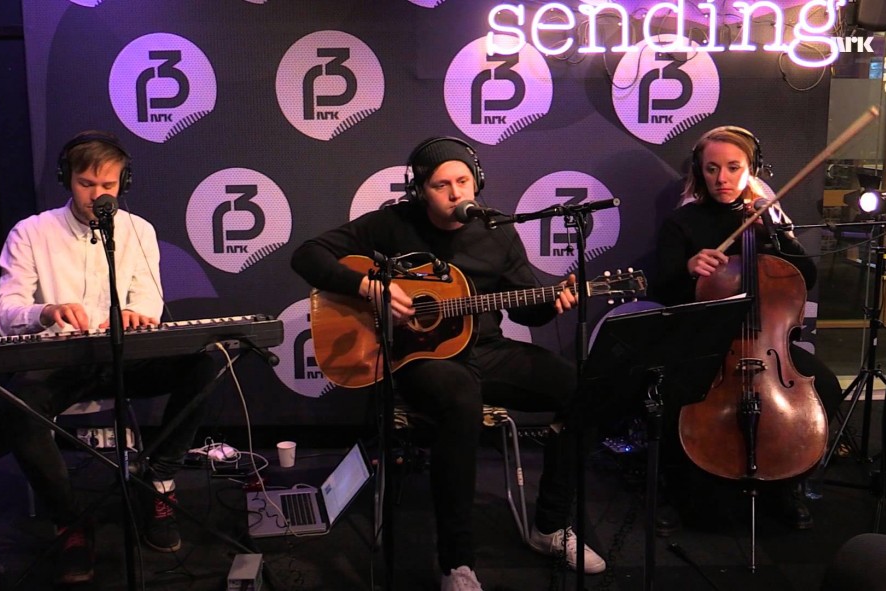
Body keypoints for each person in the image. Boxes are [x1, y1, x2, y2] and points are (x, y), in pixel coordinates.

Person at [290, 136, 606, 590]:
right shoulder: (392, 224)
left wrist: (553, 301)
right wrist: (369, 288)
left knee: (581, 389)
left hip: (486, 348)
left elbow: (526, 309)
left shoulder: (496, 231)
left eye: (463, 181)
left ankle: (550, 526)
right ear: (420, 191)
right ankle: (456, 563)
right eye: (442, 185)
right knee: (461, 400)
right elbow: (307, 255)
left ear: (477, 181)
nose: (457, 194)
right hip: (419, 357)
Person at [0, 130, 219, 585]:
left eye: (108, 185)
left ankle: (159, 481)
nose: (98, 195)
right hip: (63, 361)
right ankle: (71, 521)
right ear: (67, 179)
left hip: (126, 357)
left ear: (123, 184)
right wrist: (45, 312)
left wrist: (139, 315)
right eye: (86, 184)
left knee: (207, 361)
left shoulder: (139, 230)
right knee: (19, 405)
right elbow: (4, 313)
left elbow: (149, 300)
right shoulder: (31, 232)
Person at [652, 125, 843, 533]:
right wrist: (689, 269)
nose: (722, 178)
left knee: (826, 387)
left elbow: (805, 277)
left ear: (750, 169)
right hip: (707, 343)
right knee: (676, 398)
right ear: (699, 172)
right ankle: (678, 491)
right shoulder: (682, 223)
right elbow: (662, 290)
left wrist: (778, 233)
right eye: (712, 169)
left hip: (769, 346)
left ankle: (787, 483)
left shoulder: (767, 220)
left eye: (733, 167)